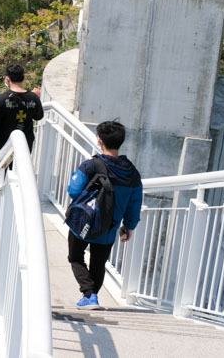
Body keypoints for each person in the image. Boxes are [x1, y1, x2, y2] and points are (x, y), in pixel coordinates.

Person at [67, 120, 143, 309]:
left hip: (83, 221)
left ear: (99, 141)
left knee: (75, 256)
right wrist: (129, 226)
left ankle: (89, 294)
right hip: (110, 226)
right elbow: (134, 204)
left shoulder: (92, 165)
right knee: (98, 263)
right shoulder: (132, 173)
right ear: (121, 142)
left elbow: (73, 191)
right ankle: (91, 296)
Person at [0, 64, 44, 153]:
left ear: (7, 79)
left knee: (1, 167)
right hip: (25, 142)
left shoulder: (1, 99)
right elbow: (38, 116)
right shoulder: (33, 97)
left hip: (3, 143)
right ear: (23, 78)